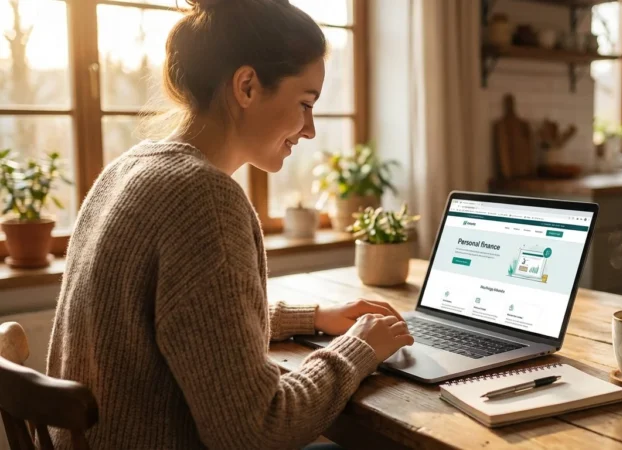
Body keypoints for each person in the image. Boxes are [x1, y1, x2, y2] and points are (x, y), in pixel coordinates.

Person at [45, 0, 414, 448]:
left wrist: (314, 317)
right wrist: (359, 349)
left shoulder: (130, 168)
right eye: (304, 103)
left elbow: (193, 319)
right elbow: (257, 429)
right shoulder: (203, 198)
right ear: (247, 86)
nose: (310, 129)